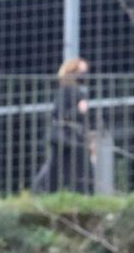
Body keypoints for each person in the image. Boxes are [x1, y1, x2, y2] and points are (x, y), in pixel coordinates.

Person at [32, 56, 95, 193]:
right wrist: (78, 111)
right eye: (81, 70)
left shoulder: (79, 91)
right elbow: (59, 114)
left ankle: (82, 197)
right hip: (65, 138)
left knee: (74, 171)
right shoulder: (66, 90)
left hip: (75, 138)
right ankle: (41, 192)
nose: (85, 74)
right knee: (56, 171)